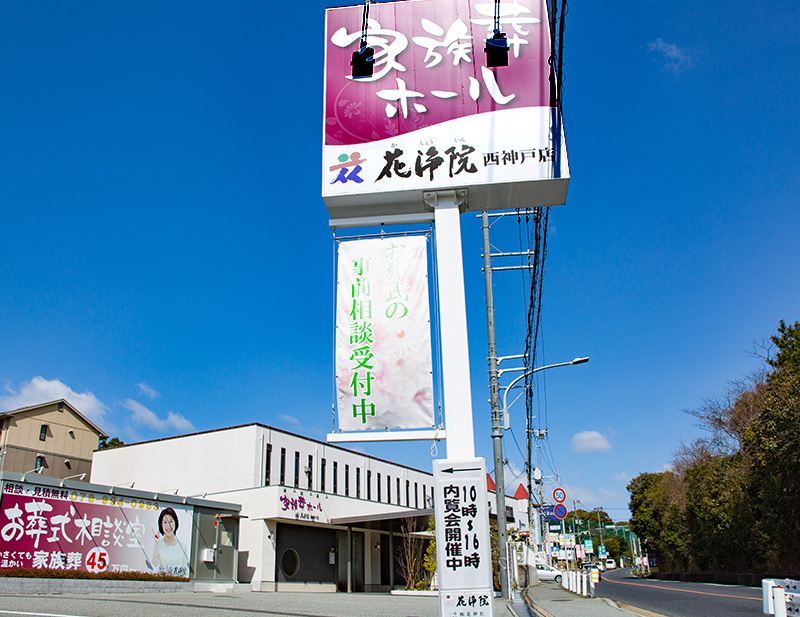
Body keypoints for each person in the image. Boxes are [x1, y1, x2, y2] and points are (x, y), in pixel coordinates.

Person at [152, 507, 189, 577]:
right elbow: (155, 564)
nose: (168, 526)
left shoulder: (182, 546)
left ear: (175, 523)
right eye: (165, 522)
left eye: (171, 521)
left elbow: (185, 569)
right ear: (161, 525)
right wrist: (156, 543)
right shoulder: (158, 544)